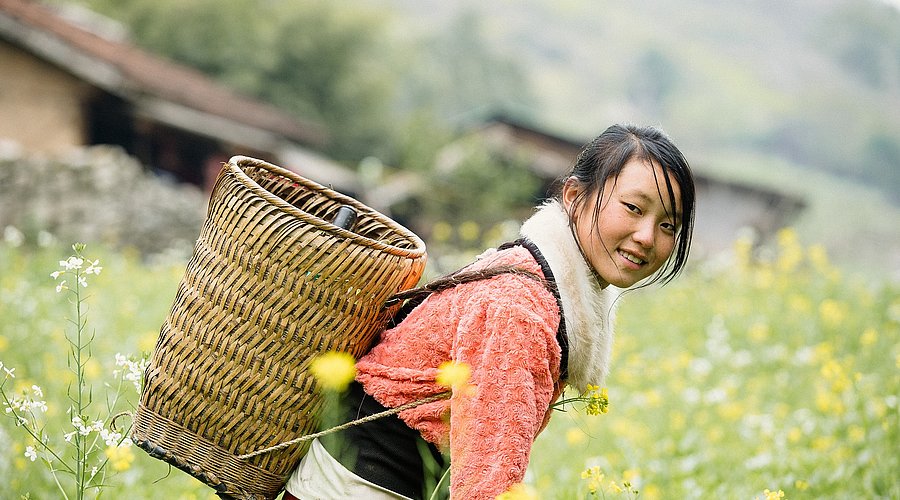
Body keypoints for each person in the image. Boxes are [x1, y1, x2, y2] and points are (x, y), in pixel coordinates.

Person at [283, 123, 696, 499]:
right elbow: (490, 474)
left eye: (668, 225)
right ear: (573, 196)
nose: (647, 236)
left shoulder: (540, 279)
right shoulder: (519, 308)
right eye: (634, 208)